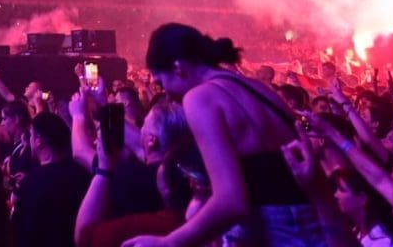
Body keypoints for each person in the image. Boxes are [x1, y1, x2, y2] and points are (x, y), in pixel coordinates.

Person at [126, 22, 324, 247]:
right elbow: (302, 142)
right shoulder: (260, 89)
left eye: (162, 83)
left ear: (178, 67)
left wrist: (169, 243)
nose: (167, 96)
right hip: (314, 231)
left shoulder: (200, 98)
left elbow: (231, 201)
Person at [11, 111, 91, 247]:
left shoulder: (32, 183)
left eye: (31, 135)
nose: (29, 140)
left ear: (39, 141)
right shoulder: (83, 172)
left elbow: (21, 233)